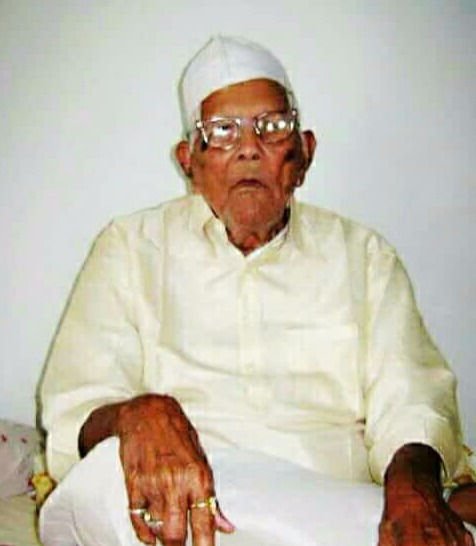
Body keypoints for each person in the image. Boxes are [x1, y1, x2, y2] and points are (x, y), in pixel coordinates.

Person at [40, 35, 476, 546]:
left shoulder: (364, 257)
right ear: (189, 160)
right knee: (99, 484)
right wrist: (138, 414)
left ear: (304, 153)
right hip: (181, 499)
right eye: (222, 132)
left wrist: (413, 488)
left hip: (330, 498)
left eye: (271, 127)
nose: (248, 148)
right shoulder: (129, 248)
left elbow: (413, 400)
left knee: (416, 513)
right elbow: (77, 411)